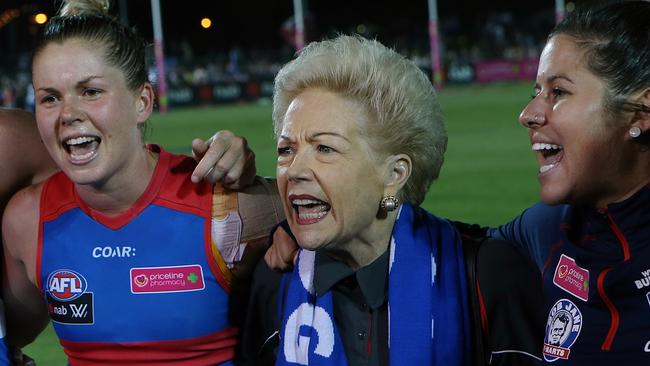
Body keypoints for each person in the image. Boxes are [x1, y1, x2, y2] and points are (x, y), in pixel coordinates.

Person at [0, 1, 283, 364]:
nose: (68, 114)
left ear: (143, 101)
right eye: (50, 98)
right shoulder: (26, 222)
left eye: (91, 91)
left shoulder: (228, 209)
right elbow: (10, 336)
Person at [240, 35, 543, 366]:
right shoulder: (274, 280)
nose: (294, 169)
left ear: (395, 174)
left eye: (324, 148)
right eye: (287, 150)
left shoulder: (485, 275)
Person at [486, 1, 650, 364]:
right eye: (536, 92)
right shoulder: (545, 230)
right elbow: (438, 250)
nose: (528, 114)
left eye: (558, 92)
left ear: (640, 113)